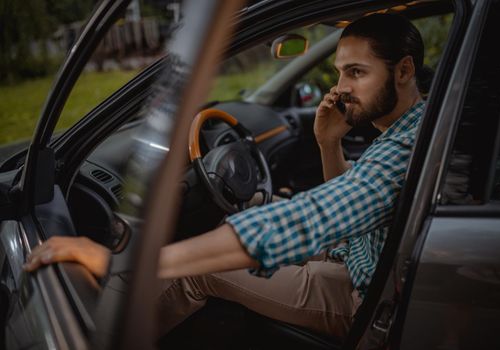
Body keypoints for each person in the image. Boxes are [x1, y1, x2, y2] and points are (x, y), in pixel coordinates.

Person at [24, 14, 428, 340]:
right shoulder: (416, 127)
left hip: (365, 297)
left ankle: (104, 337)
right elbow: (351, 201)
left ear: (404, 70)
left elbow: (313, 218)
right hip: (355, 255)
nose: (340, 89)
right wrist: (327, 143)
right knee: (240, 215)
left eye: (356, 72)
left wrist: (126, 263)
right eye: (340, 73)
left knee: (199, 269)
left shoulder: (402, 149)